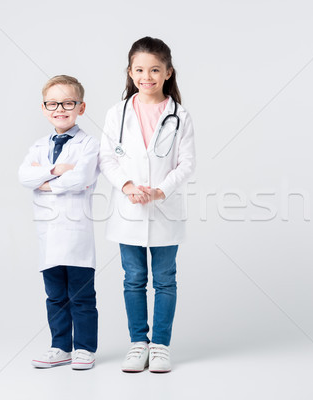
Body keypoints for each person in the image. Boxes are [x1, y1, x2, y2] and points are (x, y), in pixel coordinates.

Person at [99, 37, 196, 373]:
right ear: (130, 72)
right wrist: (127, 187)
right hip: (130, 208)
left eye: (155, 69)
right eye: (139, 69)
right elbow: (108, 158)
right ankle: (138, 343)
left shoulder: (179, 115)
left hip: (164, 207)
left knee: (165, 280)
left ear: (168, 72)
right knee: (134, 278)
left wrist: (159, 191)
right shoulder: (118, 112)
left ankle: (160, 346)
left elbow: (186, 164)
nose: (147, 76)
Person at [18, 75, 100, 370]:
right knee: (55, 296)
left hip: (76, 231)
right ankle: (60, 346)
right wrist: (55, 170)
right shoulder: (39, 146)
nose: (60, 108)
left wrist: (45, 181)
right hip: (48, 233)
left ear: (81, 107)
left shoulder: (89, 144)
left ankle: (85, 348)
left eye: (68, 102)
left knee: (81, 296)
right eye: (52, 103)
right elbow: (25, 176)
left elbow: (82, 178)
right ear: (44, 108)